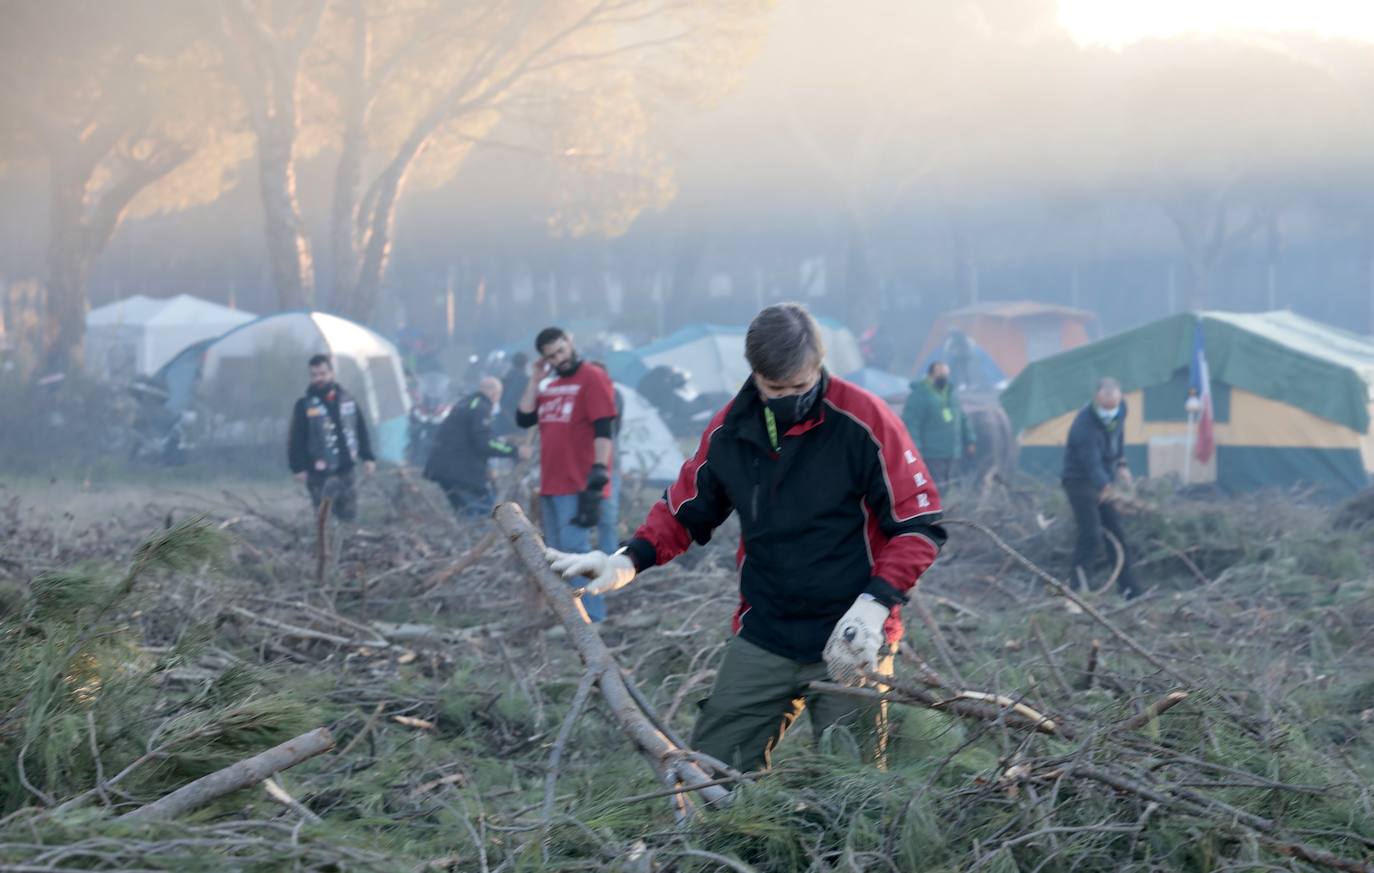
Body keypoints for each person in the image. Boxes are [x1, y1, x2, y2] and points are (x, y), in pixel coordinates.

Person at [545, 303, 946, 772]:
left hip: (851, 633)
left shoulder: (864, 421)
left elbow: (919, 526)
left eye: (800, 386)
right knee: (711, 774)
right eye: (775, 388)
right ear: (754, 374)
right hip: (765, 630)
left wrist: (875, 604)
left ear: (817, 366)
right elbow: (684, 511)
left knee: (852, 787)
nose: (788, 397)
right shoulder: (730, 430)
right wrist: (624, 562)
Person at [515, 327, 619, 622]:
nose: (558, 359)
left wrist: (599, 473)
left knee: (576, 552)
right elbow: (523, 417)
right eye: (551, 356)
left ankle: (594, 619)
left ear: (570, 344)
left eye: (561, 351)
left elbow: (603, 429)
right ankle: (575, 618)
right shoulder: (547, 385)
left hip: (579, 482)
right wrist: (535, 378)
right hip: (551, 483)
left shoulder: (592, 377)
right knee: (558, 555)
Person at [1062, 377, 1141, 598]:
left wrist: (1122, 464)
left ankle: (1129, 590)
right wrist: (1106, 487)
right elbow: (1090, 461)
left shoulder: (1121, 411)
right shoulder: (1084, 424)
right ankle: (1077, 590)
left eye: (1115, 405)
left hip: (1103, 478)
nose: (1112, 410)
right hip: (1079, 482)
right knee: (1091, 534)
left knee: (1116, 534)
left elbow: (1118, 439)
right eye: (1107, 406)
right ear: (1097, 398)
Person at [424, 376, 530, 518]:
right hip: (461, 473)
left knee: (466, 515)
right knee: (485, 513)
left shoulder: (465, 403)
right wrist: (515, 451)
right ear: (495, 394)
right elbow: (485, 442)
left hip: (445, 470)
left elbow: (468, 441)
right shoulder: (480, 407)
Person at [288, 354, 375, 521]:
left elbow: (360, 429)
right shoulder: (304, 405)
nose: (319, 378)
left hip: (346, 470)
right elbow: (296, 438)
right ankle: (326, 546)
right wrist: (297, 467)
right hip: (318, 473)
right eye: (314, 375)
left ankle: (348, 545)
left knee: (349, 516)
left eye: (322, 373)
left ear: (332, 373)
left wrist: (367, 457)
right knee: (324, 519)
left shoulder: (347, 400)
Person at [901, 361, 976, 487]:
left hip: (953, 452)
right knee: (938, 488)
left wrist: (970, 440)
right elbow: (911, 426)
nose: (944, 378)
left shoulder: (951, 394)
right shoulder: (919, 396)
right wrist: (915, 450)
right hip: (932, 454)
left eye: (946, 375)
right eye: (940, 375)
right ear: (930, 375)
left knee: (952, 487)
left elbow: (962, 419)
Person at [500, 352, 529, 433]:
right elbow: (509, 402)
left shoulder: (505, 378)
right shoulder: (523, 379)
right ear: (525, 364)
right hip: (515, 420)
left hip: (502, 419)